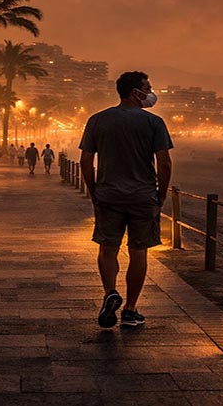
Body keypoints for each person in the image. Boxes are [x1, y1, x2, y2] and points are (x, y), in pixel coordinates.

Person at [80, 71, 173, 329]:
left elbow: (85, 161)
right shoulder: (154, 123)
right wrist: (161, 194)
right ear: (136, 92)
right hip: (143, 197)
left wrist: (93, 191)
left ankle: (110, 292)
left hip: (108, 195)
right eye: (148, 87)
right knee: (138, 251)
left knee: (107, 248)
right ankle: (130, 310)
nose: (151, 92)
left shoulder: (98, 120)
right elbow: (164, 163)